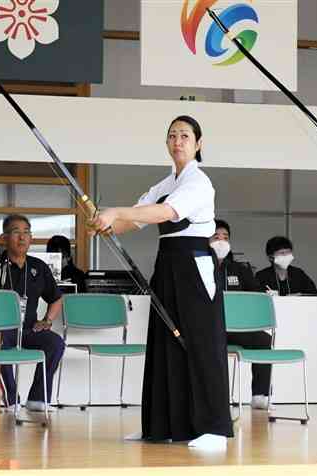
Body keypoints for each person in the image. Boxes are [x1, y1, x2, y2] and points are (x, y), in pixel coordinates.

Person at [89, 115, 232, 450]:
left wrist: (115, 212)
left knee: (199, 344)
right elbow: (132, 221)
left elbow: (164, 214)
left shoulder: (199, 183)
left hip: (194, 268)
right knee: (163, 342)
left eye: (184, 135)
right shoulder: (164, 183)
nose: (177, 141)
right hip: (167, 266)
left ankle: (213, 429)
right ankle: (161, 425)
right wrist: (102, 221)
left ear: (198, 144)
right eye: (172, 135)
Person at [0, 215, 65, 412]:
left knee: (55, 343)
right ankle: (12, 400)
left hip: (29, 330)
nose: (22, 237)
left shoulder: (38, 267)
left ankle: (38, 399)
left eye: (26, 232)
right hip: (3, 331)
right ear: (4, 238)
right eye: (16, 232)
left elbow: (56, 298)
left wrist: (47, 320)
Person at [210, 220, 271, 410]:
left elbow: (256, 293)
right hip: (210, 328)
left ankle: (260, 394)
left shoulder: (239, 270)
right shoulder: (199, 267)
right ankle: (213, 397)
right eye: (216, 237)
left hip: (235, 329)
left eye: (225, 238)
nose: (221, 241)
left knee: (263, 339)